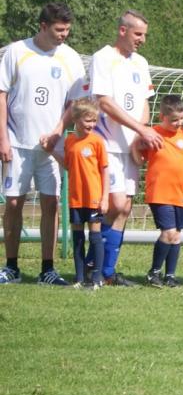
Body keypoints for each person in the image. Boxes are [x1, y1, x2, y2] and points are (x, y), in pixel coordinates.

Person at [0, 2, 86, 286]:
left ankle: (47, 269)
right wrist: (3, 139)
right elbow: (2, 95)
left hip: (52, 146)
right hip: (17, 141)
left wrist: (58, 132)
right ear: (43, 26)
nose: (64, 35)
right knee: (14, 202)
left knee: (51, 203)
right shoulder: (16, 52)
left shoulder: (71, 58)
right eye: (59, 29)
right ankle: (11, 266)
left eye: (67, 30)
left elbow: (75, 102)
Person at [87, 10, 163, 286]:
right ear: (122, 31)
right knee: (114, 203)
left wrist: (139, 136)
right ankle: (92, 264)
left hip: (130, 146)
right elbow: (104, 102)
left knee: (125, 207)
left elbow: (144, 102)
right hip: (107, 143)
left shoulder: (141, 63)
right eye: (138, 34)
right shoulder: (102, 58)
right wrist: (141, 130)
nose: (142, 40)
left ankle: (106, 271)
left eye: (145, 35)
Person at [132, 95, 183, 288]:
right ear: (162, 117)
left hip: (180, 193)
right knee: (168, 233)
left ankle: (170, 275)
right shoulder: (152, 134)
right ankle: (154, 272)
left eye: (181, 119)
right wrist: (134, 146)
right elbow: (139, 160)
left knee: (176, 236)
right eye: (174, 120)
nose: (179, 123)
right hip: (159, 193)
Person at [55, 98, 108, 288]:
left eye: (94, 120)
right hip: (76, 198)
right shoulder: (69, 140)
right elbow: (68, 165)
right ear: (76, 119)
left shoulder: (97, 141)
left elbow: (104, 170)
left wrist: (105, 197)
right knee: (77, 238)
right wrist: (51, 151)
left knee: (95, 236)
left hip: (94, 198)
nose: (92, 124)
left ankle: (96, 277)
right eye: (88, 120)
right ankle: (79, 278)